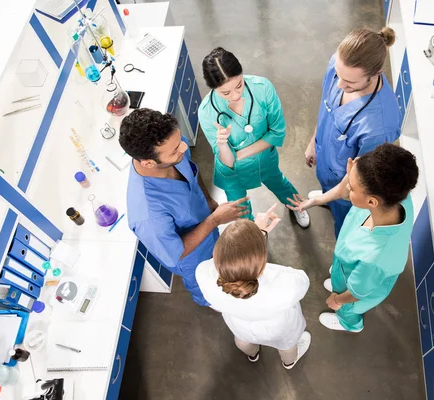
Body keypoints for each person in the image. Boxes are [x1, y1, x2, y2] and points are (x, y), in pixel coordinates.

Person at [120, 109, 248, 307]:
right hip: (191, 257)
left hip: (208, 229)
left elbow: (192, 172)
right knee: (207, 288)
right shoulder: (148, 215)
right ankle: (212, 303)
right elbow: (176, 253)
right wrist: (214, 220)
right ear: (148, 162)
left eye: (179, 141)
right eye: (175, 150)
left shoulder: (174, 147)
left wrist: (209, 202)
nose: (183, 147)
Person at [288, 144, 419, 332]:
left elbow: (357, 293)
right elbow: (347, 189)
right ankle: (338, 282)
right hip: (350, 269)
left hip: (357, 287)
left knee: (348, 308)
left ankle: (349, 324)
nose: (346, 187)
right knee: (341, 280)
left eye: (352, 187)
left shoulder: (374, 258)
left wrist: (337, 300)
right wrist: (319, 200)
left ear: (371, 201)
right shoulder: (396, 195)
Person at [198, 47, 310, 228]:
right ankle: (251, 232)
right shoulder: (207, 112)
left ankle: (297, 206)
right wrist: (222, 144)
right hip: (232, 172)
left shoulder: (262, 88)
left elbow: (277, 132)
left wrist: (240, 155)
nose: (235, 95)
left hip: (264, 158)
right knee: (240, 210)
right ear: (213, 89)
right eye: (225, 93)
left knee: (279, 183)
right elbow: (226, 160)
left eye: (239, 85)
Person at [305, 27, 401, 238]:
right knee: (328, 193)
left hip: (347, 186)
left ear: (376, 74)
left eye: (349, 82)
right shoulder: (340, 66)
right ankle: (328, 197)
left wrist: (325, 198)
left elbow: (361, 176)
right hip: (325, 162)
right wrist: (314, 142)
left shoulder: (378, 126)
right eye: (338, 75)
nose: (339, 84)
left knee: (344, 222)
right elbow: (326, 107)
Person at [196, 205, 311, 369]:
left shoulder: (203, 274)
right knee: (287, 346)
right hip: (279, 328)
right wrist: (258, 233)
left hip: (239, 325)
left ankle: (253, 355)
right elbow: (303, 280)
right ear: (262, 263)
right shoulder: (284, 284)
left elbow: (225, 263)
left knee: (243, 341)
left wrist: (255, 235)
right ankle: (289, 362)